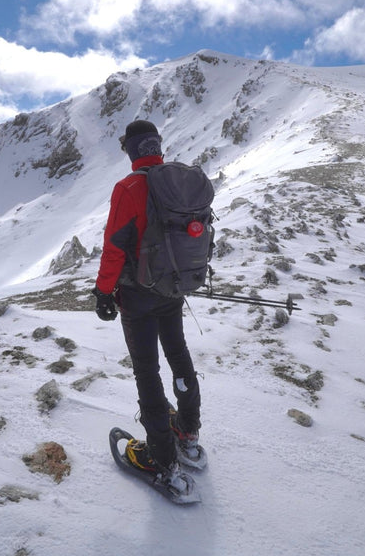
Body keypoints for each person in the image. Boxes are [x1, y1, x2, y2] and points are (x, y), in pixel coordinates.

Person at [93, 119, 202, 481]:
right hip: (173, 288)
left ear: (131, 150)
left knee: (147, 370)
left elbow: (114, 248)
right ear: (157, 146)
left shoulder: (129, 188)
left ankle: (160, 456)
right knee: (178, 354)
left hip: (138, 295)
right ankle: (187, 429)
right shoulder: (180, 182)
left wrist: (104, 292)